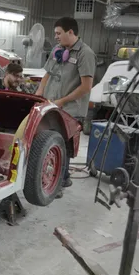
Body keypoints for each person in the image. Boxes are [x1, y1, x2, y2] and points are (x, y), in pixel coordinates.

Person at [35, 17, 96, 198]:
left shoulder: (86, 54)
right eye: (55, 33)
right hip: (52, 104)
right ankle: (64, 176)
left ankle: (59, 182)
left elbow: (86, 87)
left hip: (70, 108)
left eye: (58, 33)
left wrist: (62, 101)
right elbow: (48, 73)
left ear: (71, 32)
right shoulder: (58, 50)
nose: (56, 37)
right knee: (51, 140)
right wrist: (40, 91)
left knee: (62, 144)